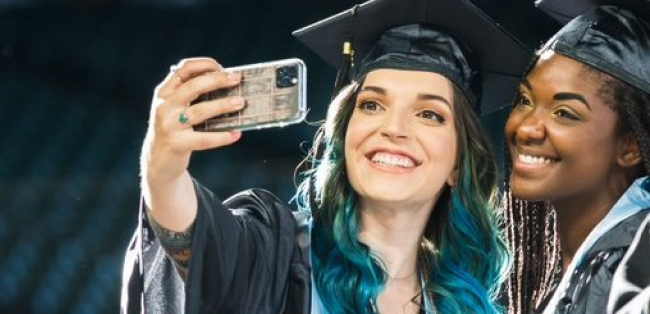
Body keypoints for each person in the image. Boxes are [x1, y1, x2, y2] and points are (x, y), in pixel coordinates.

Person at [119, 0, 533, 313]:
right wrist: (164, 166)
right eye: (371, 105)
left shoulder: (462, 302)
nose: (393, 127)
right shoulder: (277, 255)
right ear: (344, 133)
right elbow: (196, 246)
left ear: (458, 165)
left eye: (429, 114)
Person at [502, 2, 650, 314]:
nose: (527, 128)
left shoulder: (635, 279)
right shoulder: (587, 268)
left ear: (631, 146)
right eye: (525, 100)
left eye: (564, 113)